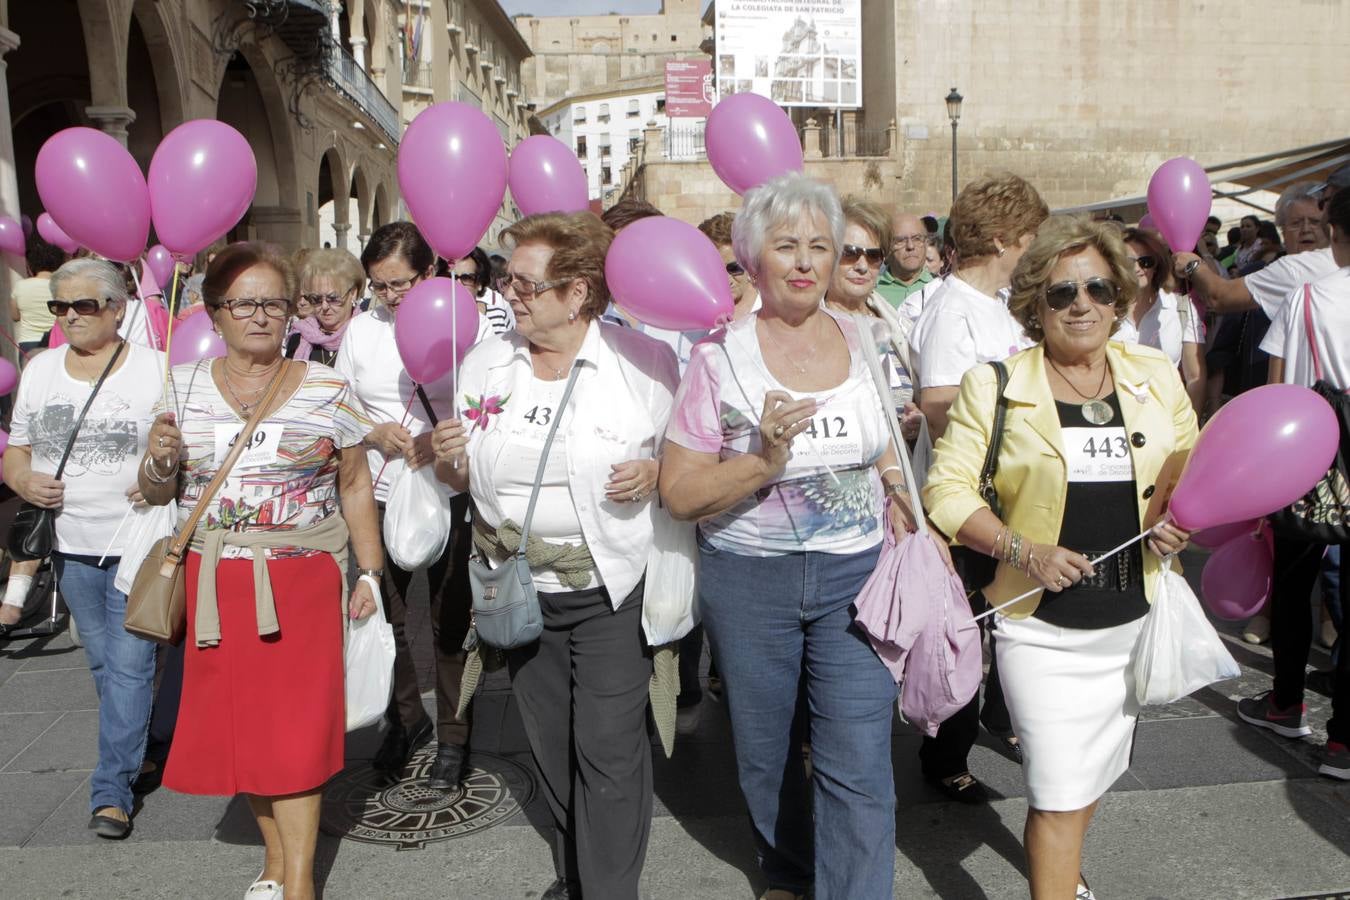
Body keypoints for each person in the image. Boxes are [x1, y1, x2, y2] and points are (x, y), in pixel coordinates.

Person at [660, 173, 927, 899]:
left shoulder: (869, 340)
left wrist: (898, 491)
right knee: (767, 750)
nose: (807, 262)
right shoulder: (718, 360)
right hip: (751, 584)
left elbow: (879, 447)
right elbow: (680, 492)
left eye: (820, 246)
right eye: (787, 247)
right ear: (753, 260)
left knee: (860, 756)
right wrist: (762, 462)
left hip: (856, 577)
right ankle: (786, 866)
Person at [925, 215, 1198, 899]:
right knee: (1054, 790)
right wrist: (1027, 548)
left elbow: (1190, 469)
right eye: (1061, 292)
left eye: (1099, 288)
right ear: (1034, 305)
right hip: (1039, 625)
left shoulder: (1154, 373)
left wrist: (1179, 525)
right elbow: (947, 493)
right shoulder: (996, 385)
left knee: (1092, 778)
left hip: (1132, 616)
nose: (1082, 304)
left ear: (1121, 298)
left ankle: (1064, 878)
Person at [432, 211, 686, 900]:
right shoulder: (486, 362)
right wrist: (446, 460)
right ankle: (579, 869)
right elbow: (464, 480)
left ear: (577, 293)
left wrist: (659, 472)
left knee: (608, 750)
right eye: (507, 279)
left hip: (608, 586)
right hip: (515, 589)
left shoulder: (645, 364)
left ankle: (610, 890)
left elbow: (688, 462)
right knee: (550, 744)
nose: (508, 293)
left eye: (525, 283)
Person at [138, 242, 381, 900]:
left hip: (301, 581)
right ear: (213, 314)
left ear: (292, 312)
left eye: (274, 302)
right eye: (243, 302)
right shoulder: (178, 390)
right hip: (214, 582)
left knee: (295, 739)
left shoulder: (330, 388)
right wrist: (159, 460)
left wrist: (370, 572)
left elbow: (356, 484)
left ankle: (299, 883)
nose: (260, 315)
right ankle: (274, 861)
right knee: (243, 733)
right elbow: (159, 492)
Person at [2, 258, 164, 836]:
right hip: (68, 546)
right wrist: (22, 481)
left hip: (138, 542)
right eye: (59, 307)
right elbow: (16, 450)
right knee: (106, 664)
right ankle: (140, 745)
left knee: (127, 666)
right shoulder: (41, 369)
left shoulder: (157, 369)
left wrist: (156, 478)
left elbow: (183, 452)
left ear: (118, 309)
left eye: (84, 306)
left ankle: (110, 790)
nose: (70, 316)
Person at [909, 172, 1050, 799]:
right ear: (1000, 239)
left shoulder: (991, 307)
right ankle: (944, 757)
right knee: (965, 630)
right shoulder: (950, 311)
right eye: (1028, 237)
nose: (1032, 249)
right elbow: (940, 404)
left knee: (994, 621)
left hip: (1000, 496)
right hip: (967, 500)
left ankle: (991, 719)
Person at [335, 222, 473, 790]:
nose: (390, 298)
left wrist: (438, 437)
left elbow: (488, 402)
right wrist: (373, 431)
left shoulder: (462, 316)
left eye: (400, 285)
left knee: (449, 621)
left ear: (431, 271)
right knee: (385, 614)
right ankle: (404, 716)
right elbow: (340, 405)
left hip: (450, 490)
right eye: (379, 287)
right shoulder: (360, 332)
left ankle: (456, 736)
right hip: (381, 493)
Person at [1240, 186, 1350, 781]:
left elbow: (1275, 393)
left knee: (1293, 581)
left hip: (1312, 461)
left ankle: (1286, 701)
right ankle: (1345, 740)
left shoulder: (1307, 298)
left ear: (1333, 230)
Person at [1173, 164, 1348, 317]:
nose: (1306, 229)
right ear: (1282, 230)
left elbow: (1220, 296)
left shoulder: (1297, 268)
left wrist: (1194, 263)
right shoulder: (1262, 270)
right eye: (1296, 223)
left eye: (1315, 220)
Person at [824, 198, 924, 435]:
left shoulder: (893, 322)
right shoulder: (814, 325)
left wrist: (918, 420)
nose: (862, 266)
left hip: (904, 463)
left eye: (873, 256)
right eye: (850, 253)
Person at [1118, 227, 1206, 413]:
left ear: (1157, 265)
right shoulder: (1103, 309)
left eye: (1146, 262)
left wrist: (1190, 429)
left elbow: (1195, 376)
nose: (1137, 268)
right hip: (1116, 417)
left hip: (1164, 417)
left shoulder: (1180, 307)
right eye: (1128, 262)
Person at [287, 248, 363, 365]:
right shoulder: (299, 337)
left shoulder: (365, 334)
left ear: (353, 293)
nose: (324, 306)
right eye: (316, 299)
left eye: (333, 298)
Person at [10, 233, 64, 355]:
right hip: (57, 340)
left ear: (32, 264)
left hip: (28, 342)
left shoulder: (20, 286)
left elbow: (15, 316)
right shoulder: (63, 286)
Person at [446, 245, 515, 335]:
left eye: (467, 278)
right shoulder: (436, 318)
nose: (457, 283)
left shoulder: (497, 315)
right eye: (451, 277)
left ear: (480, 284)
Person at [875, 211, 934, 310]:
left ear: (926, 244)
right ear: (886, 248)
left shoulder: (940, 287)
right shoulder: (872, 291)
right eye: (900, 241)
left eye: (917, 239)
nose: (910, 246)